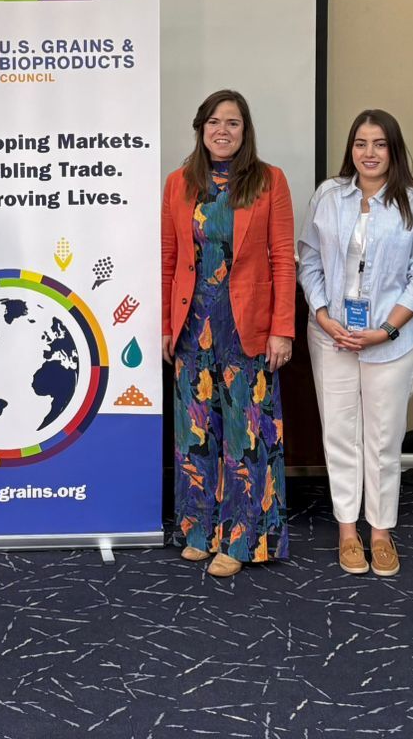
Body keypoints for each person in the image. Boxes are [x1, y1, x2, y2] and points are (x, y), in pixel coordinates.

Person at [300, 109, 413, 578]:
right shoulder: (329, 195)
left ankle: (380, 531)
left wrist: (386, 330)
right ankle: (347, 529)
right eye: (361, 143)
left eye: (379, 144)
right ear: (351, 149)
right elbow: (308, 261)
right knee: (340, 434)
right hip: (332, 337)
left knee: (383, 439)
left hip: (390, 341)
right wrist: (324, 317)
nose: (369, 153)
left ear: (393, 149)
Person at [161, 89, 296, 578]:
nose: (223, 131)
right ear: (201, 128)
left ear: (245, 130)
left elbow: (283, 260)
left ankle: (243, 541)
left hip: (248, 326)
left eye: (233, 123)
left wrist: (282, 329)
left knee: (247, 436)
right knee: (195, 433)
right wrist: (165, 325)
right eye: (214, 122)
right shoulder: (179, 183)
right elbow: (168, 258)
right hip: (192, 326)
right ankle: (198, 531)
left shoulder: (269, 180)